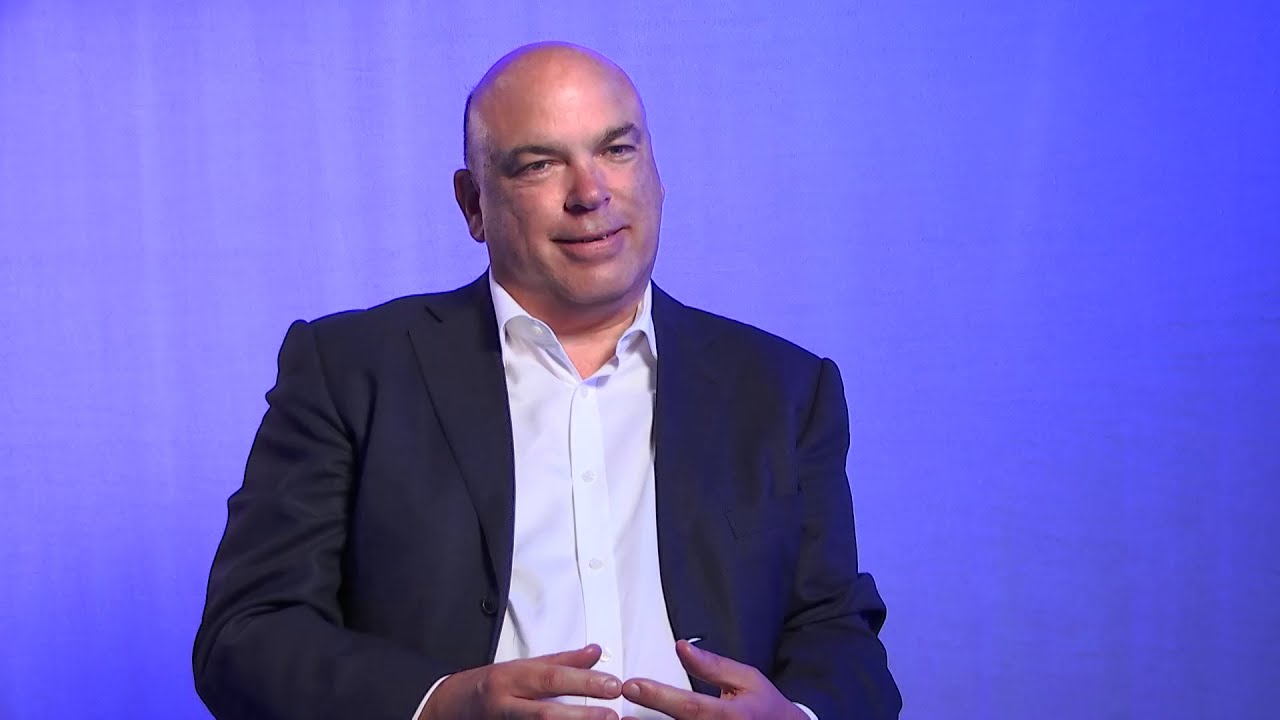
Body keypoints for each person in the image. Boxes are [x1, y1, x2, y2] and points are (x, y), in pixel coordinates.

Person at [193, 41, 901, 720]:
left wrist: (800, 716)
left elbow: (836, 631)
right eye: (539, 165)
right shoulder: (350, 369)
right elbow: (247, 634)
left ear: (656, 175)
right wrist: (439, 704)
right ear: (473, 204)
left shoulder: (782, 388)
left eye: (617, 150)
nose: (590, 192)